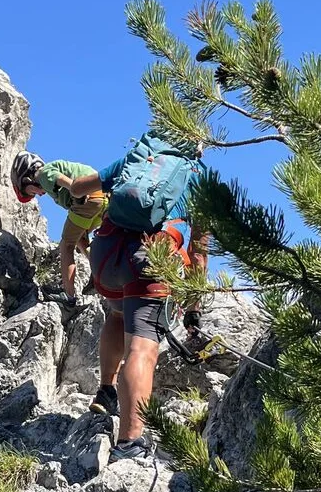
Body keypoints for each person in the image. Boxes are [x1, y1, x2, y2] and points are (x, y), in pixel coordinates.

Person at [66, 137, 208, 460]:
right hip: (149, 257)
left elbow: (79, 187)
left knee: (117, 314)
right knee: (142, 349)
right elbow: (198, 253)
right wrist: (193, 308)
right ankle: (129, 442)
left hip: (105, 255)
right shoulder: (199, 179)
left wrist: (72, 193)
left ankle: (106, 389)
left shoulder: (143, 156)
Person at [10, 151, 106, 307]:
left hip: (88, 199)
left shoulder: (42, 174)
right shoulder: (51, 170)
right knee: (80, 239)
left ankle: (69, 296)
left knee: (67, 244)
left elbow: (59, 179)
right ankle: (101, 273)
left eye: (30, 192)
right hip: (102, 198)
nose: (37, 196)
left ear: (27, 178)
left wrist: (77, 191)